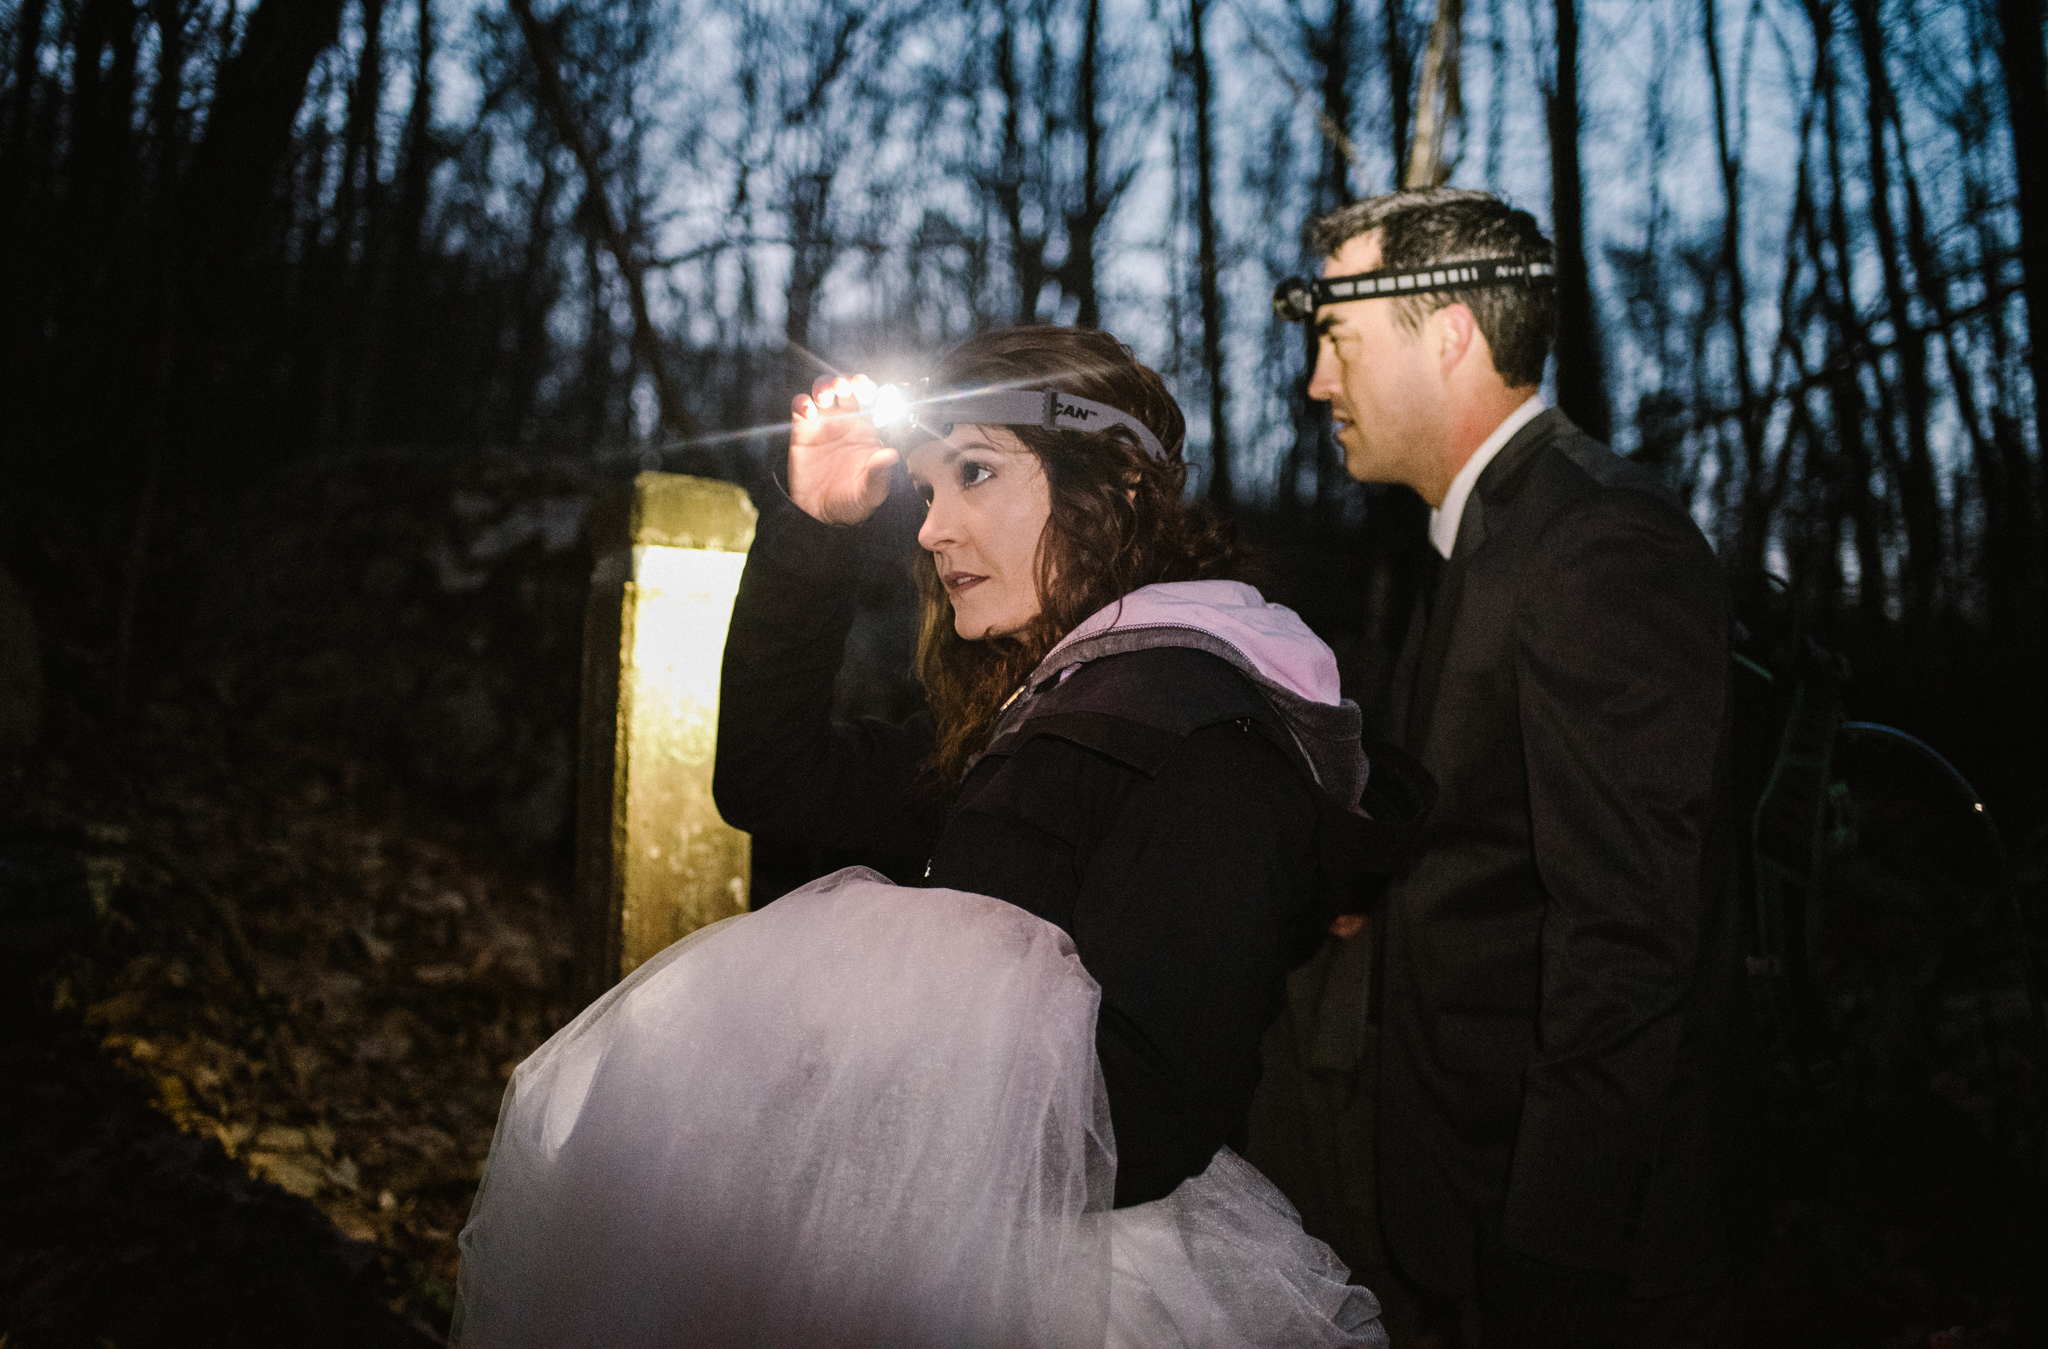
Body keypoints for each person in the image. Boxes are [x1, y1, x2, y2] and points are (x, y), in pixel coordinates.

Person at [451, 325, 1432, 1348]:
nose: (929, 527)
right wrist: (818, 528)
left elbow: (1149, 1111)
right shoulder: (1040, 715)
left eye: (973, 473)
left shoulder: (1193, 731)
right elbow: (771, 777)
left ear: (1113, 490)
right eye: (925, 488)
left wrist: (833, 1122)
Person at [1249, 189, 1744, 1348]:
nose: (1318, 382)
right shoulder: (1485, 532)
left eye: (1337, 338)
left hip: (1559, 1229)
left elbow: (1627, 933)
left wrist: (1555, 1244)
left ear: (1451, 333)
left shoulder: (1594, 540)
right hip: (1459, 1177)